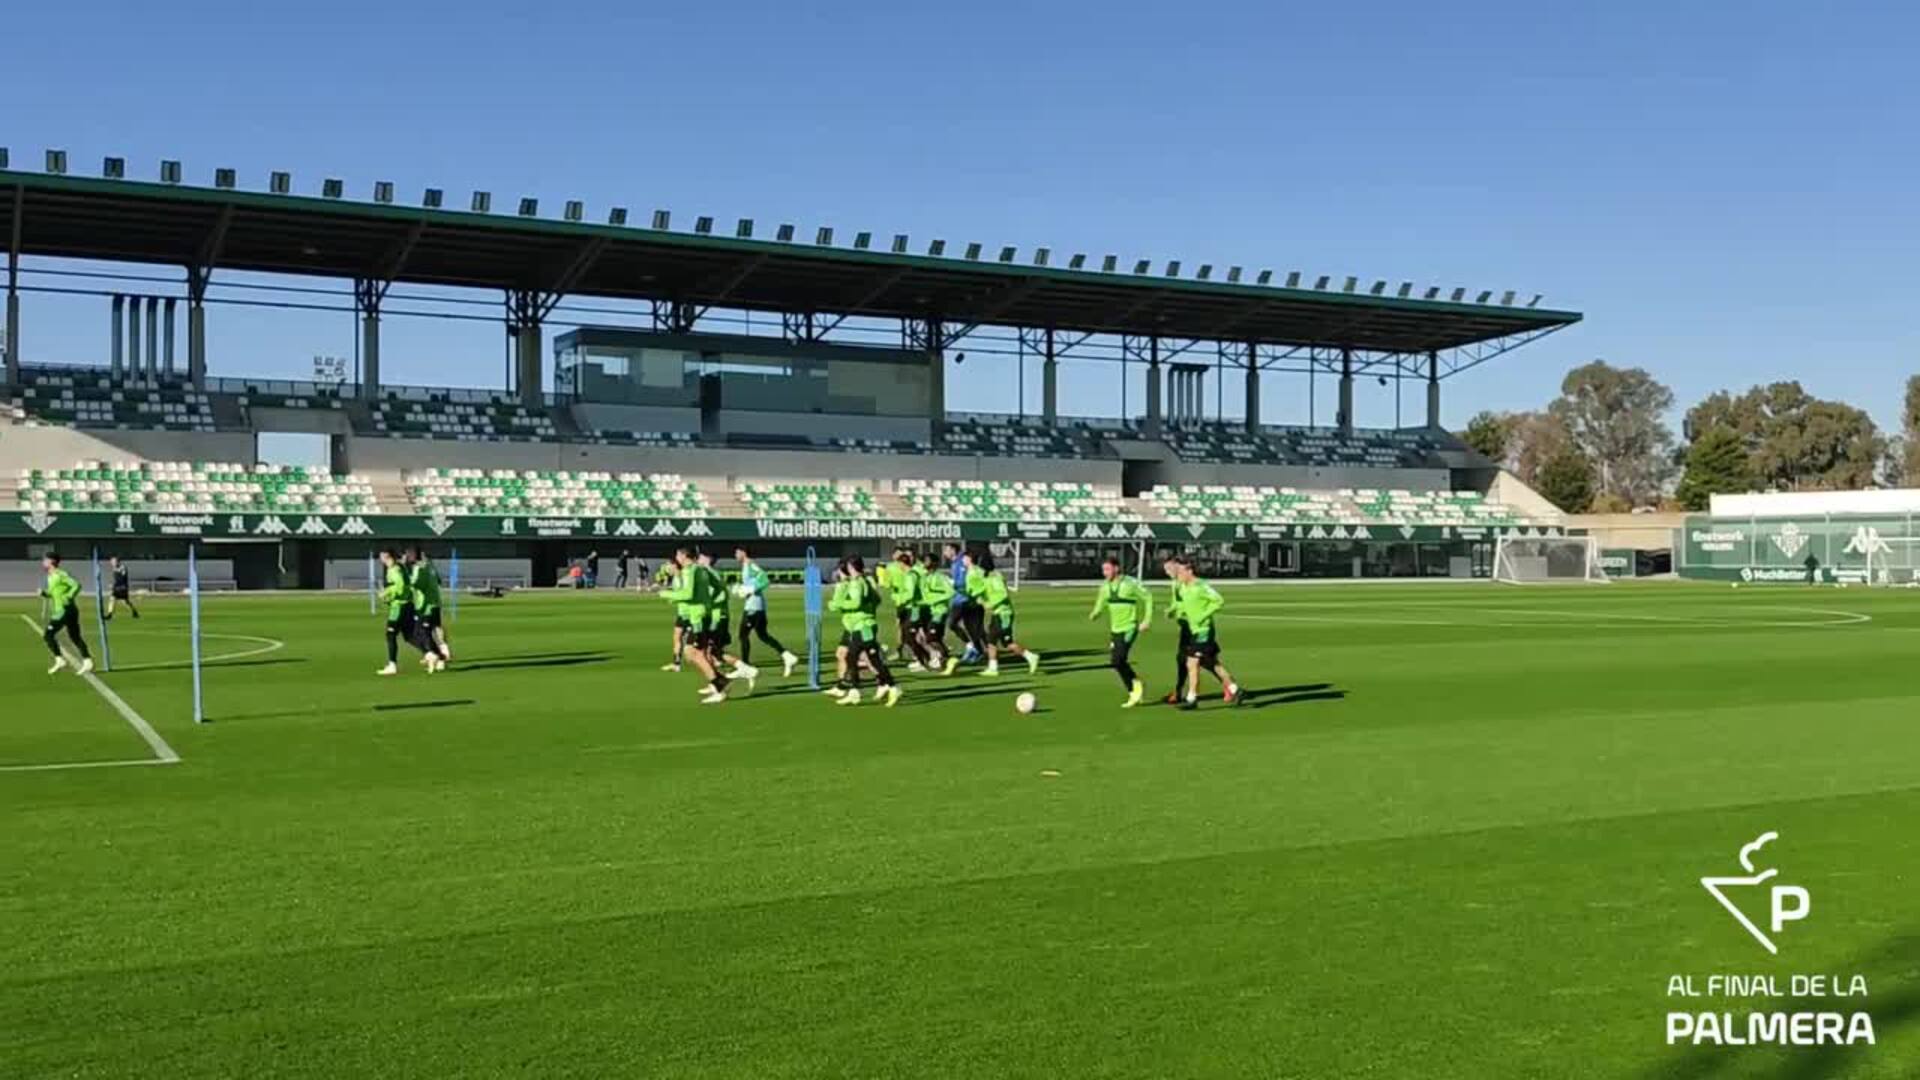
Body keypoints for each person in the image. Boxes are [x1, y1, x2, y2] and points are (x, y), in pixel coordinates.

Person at [659, 548, 731, 703]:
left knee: (694, 654)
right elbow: (719, 588)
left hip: (697, 617)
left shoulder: (689, 571)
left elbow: (688, 594)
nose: (676, 557)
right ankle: (719, 681)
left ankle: (720, 687)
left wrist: (666, 594)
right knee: (697, 652)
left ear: (684, 556)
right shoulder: (702, 570)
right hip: (704, 614)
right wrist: (709, 603)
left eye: (678, 555)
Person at [827, 554, 900, 707]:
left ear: (850, 567)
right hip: (864, 625)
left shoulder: (857, 583)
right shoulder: (865, 581)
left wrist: (838, 603)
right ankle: (861, 690)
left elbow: (856, 602)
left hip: (863, 626)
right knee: (863, 659)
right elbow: (877, 600)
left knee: (857, 658)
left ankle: (888, 687)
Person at [1171, 555, 1242, 710]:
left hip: (1204, 631)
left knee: (1192, 663)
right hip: (1193, 631)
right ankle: (1234, 689)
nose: (1178, 575)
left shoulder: (1201, 586)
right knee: (1211, 663)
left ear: (1189, 570)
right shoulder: (1183, 588)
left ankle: (1192, 698)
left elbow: (1219, 600)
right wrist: (1174, 611)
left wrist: (1204, 615)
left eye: (1181, 571)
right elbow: (1184, 605)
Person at [1090, 555, 1152, 707]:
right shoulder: (1104, 587)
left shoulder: (1129, 584)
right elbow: (1100, 602)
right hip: (1115, 629)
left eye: (1107, 569)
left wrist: (1147, 619)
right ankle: (1135, 688)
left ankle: (1134, 689)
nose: (1105, 573)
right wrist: (1095, 613)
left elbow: (1148, 597)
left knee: (1117, 660)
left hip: (1129, 628)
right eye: (1103, 569)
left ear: (1116, 568)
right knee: (1117, 663)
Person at [734, 547, 799, 677]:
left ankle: (745, 666)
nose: (735, 555)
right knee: (762, 635)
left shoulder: (750, 565)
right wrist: (742, 589)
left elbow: (765, 580)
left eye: (737, 552)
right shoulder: (746, 566)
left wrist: (750, 590)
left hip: (753, 607)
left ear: (743, 553)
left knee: (743, 635)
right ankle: (787, 656)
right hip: (756, 606)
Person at [975, 552, 1040, 677]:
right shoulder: (988, 577)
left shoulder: (996, 577)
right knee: (991, 640)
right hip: (997, 614)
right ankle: (993, 668)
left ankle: (1030, 656)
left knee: (1007, 643)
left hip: (1004, 614)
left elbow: (1003, 594)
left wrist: (989, 604)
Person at [698, 551, 757, 690]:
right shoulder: (709, 573)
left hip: (717, 617)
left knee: (711, 652)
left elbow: (717, 596)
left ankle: (743, 669)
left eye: (700, 557)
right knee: (709, 652)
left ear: (707, 559)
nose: (698, 559)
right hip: (717, 615)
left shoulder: (710, 574)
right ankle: (716, 682)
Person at [39, 553, 94, 676]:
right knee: (75, 636)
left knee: (48, 635)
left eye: (45, 560)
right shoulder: (50, 576)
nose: (43, 562)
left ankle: (60, 660)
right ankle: (87, 661)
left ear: (51, 561)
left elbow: (76, 585)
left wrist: (69, 596)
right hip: (66, 610)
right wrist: (45, 593)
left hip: (64, 610)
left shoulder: (60, 574)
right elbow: (53, 593)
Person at [887, 549, 934, 671]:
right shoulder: (913, 574)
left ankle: (928, 657)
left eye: (899, 565)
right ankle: (924, 658)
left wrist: (898, 597)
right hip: (914, 608)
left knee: (909, 635)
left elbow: (910, 594)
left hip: (915, 608)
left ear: (903, 564)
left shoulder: (911, 575)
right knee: (909, 635)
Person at [376, 547, 420, 676]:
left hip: (399, 607)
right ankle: (432, 653)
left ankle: (392, 664)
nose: (380, 559)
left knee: (390, 634)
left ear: (387, 556)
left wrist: (387, 593)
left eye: (382, 556)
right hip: (407, 605)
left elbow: (400, 588)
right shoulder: (400, 567)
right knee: (409, 636)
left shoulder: (394, 570)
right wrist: (388, 597)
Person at [407, 546, 450, 671]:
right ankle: (439, 653)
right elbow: (438, 581)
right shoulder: (430, 566)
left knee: (421, 632)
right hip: (435, 603)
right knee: (435, 628)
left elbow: (416, 584)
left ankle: (436, 655)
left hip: (426, 606)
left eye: (408, 554)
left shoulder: (420, 568)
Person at [942, 543, 982, 665]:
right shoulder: (955, 562)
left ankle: (974, 648)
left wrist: (951, 582)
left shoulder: (961, 562)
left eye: (946, 549)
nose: (944, 552)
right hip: (958, 599)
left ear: (953, 550)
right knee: (967, 627)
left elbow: (964, 582)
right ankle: (975, 649)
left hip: (964, 599)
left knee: (954, 624)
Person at [1161, 554, 1192, 705]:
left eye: (1168, 569)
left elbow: (1192, 601)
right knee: (1187, 659)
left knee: (1196, 661)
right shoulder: (1175, 584)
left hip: (1194, 626)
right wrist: (1171, 610)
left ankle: (1231, 687)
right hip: (1185, 625)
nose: (1166, 572)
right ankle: (1231, 687)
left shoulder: (1187, 581)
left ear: (1176, 566)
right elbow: (1177, 602)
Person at [917, 551, 954, 670]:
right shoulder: (924, 577)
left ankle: (946, 659)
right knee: (930, 638)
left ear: (933, 563)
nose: (925, 563)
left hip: (940, 611)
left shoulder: (940, 577)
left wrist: (935, 599)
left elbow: (950, 592)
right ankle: (945, 660)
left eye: (927, 560)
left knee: (931, 638)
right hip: (930, 612)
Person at [104, 555, 139, 621]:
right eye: (111, 562)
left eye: (113, 562)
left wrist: (113, 585)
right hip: (118, 587)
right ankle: (110, 614)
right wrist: (113, 585)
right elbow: (116, 579)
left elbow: (122, 579)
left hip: (122, 587)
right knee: (114, 598)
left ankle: (134, 612)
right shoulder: (114, 568)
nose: (112, 563)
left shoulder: (122, 568)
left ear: (117, 561)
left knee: (124, 601)